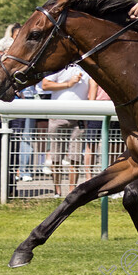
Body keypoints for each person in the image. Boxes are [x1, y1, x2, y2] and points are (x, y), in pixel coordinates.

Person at [41, 64, 90, 197]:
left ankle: (71, 192)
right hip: (58, 115)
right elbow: (45, 85)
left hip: (79, 117)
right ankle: (57, 190)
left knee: (75, 156)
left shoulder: (88, 67)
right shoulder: (60, 66)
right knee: (56, 156)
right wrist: (68, 84)